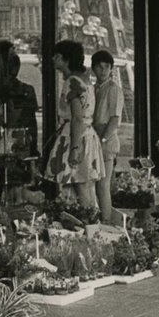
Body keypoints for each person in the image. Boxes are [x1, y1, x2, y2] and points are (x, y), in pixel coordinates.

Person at [46, 39, 103, 210]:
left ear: (66, 59)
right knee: (84, 186)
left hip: (75, 136)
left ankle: (88, 224)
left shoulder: (71, 82)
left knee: (79, 185)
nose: (53, 59)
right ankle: (89, 226)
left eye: (57, 56)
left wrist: (74, 148)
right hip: (86, 134)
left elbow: (77, 118)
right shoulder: (85, 80)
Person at [90, 49, 123, 223]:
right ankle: (98, 220)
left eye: (106, 67)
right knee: (93, 185)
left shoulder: (113, 89)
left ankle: (107, 222)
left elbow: (114, 119)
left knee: (103, 185)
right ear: (93, 69)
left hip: (106, 141)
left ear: (111, 69)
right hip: (93, 139)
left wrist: (102, 140)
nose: (103, 70)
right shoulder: (94, 88)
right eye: (99, 66)